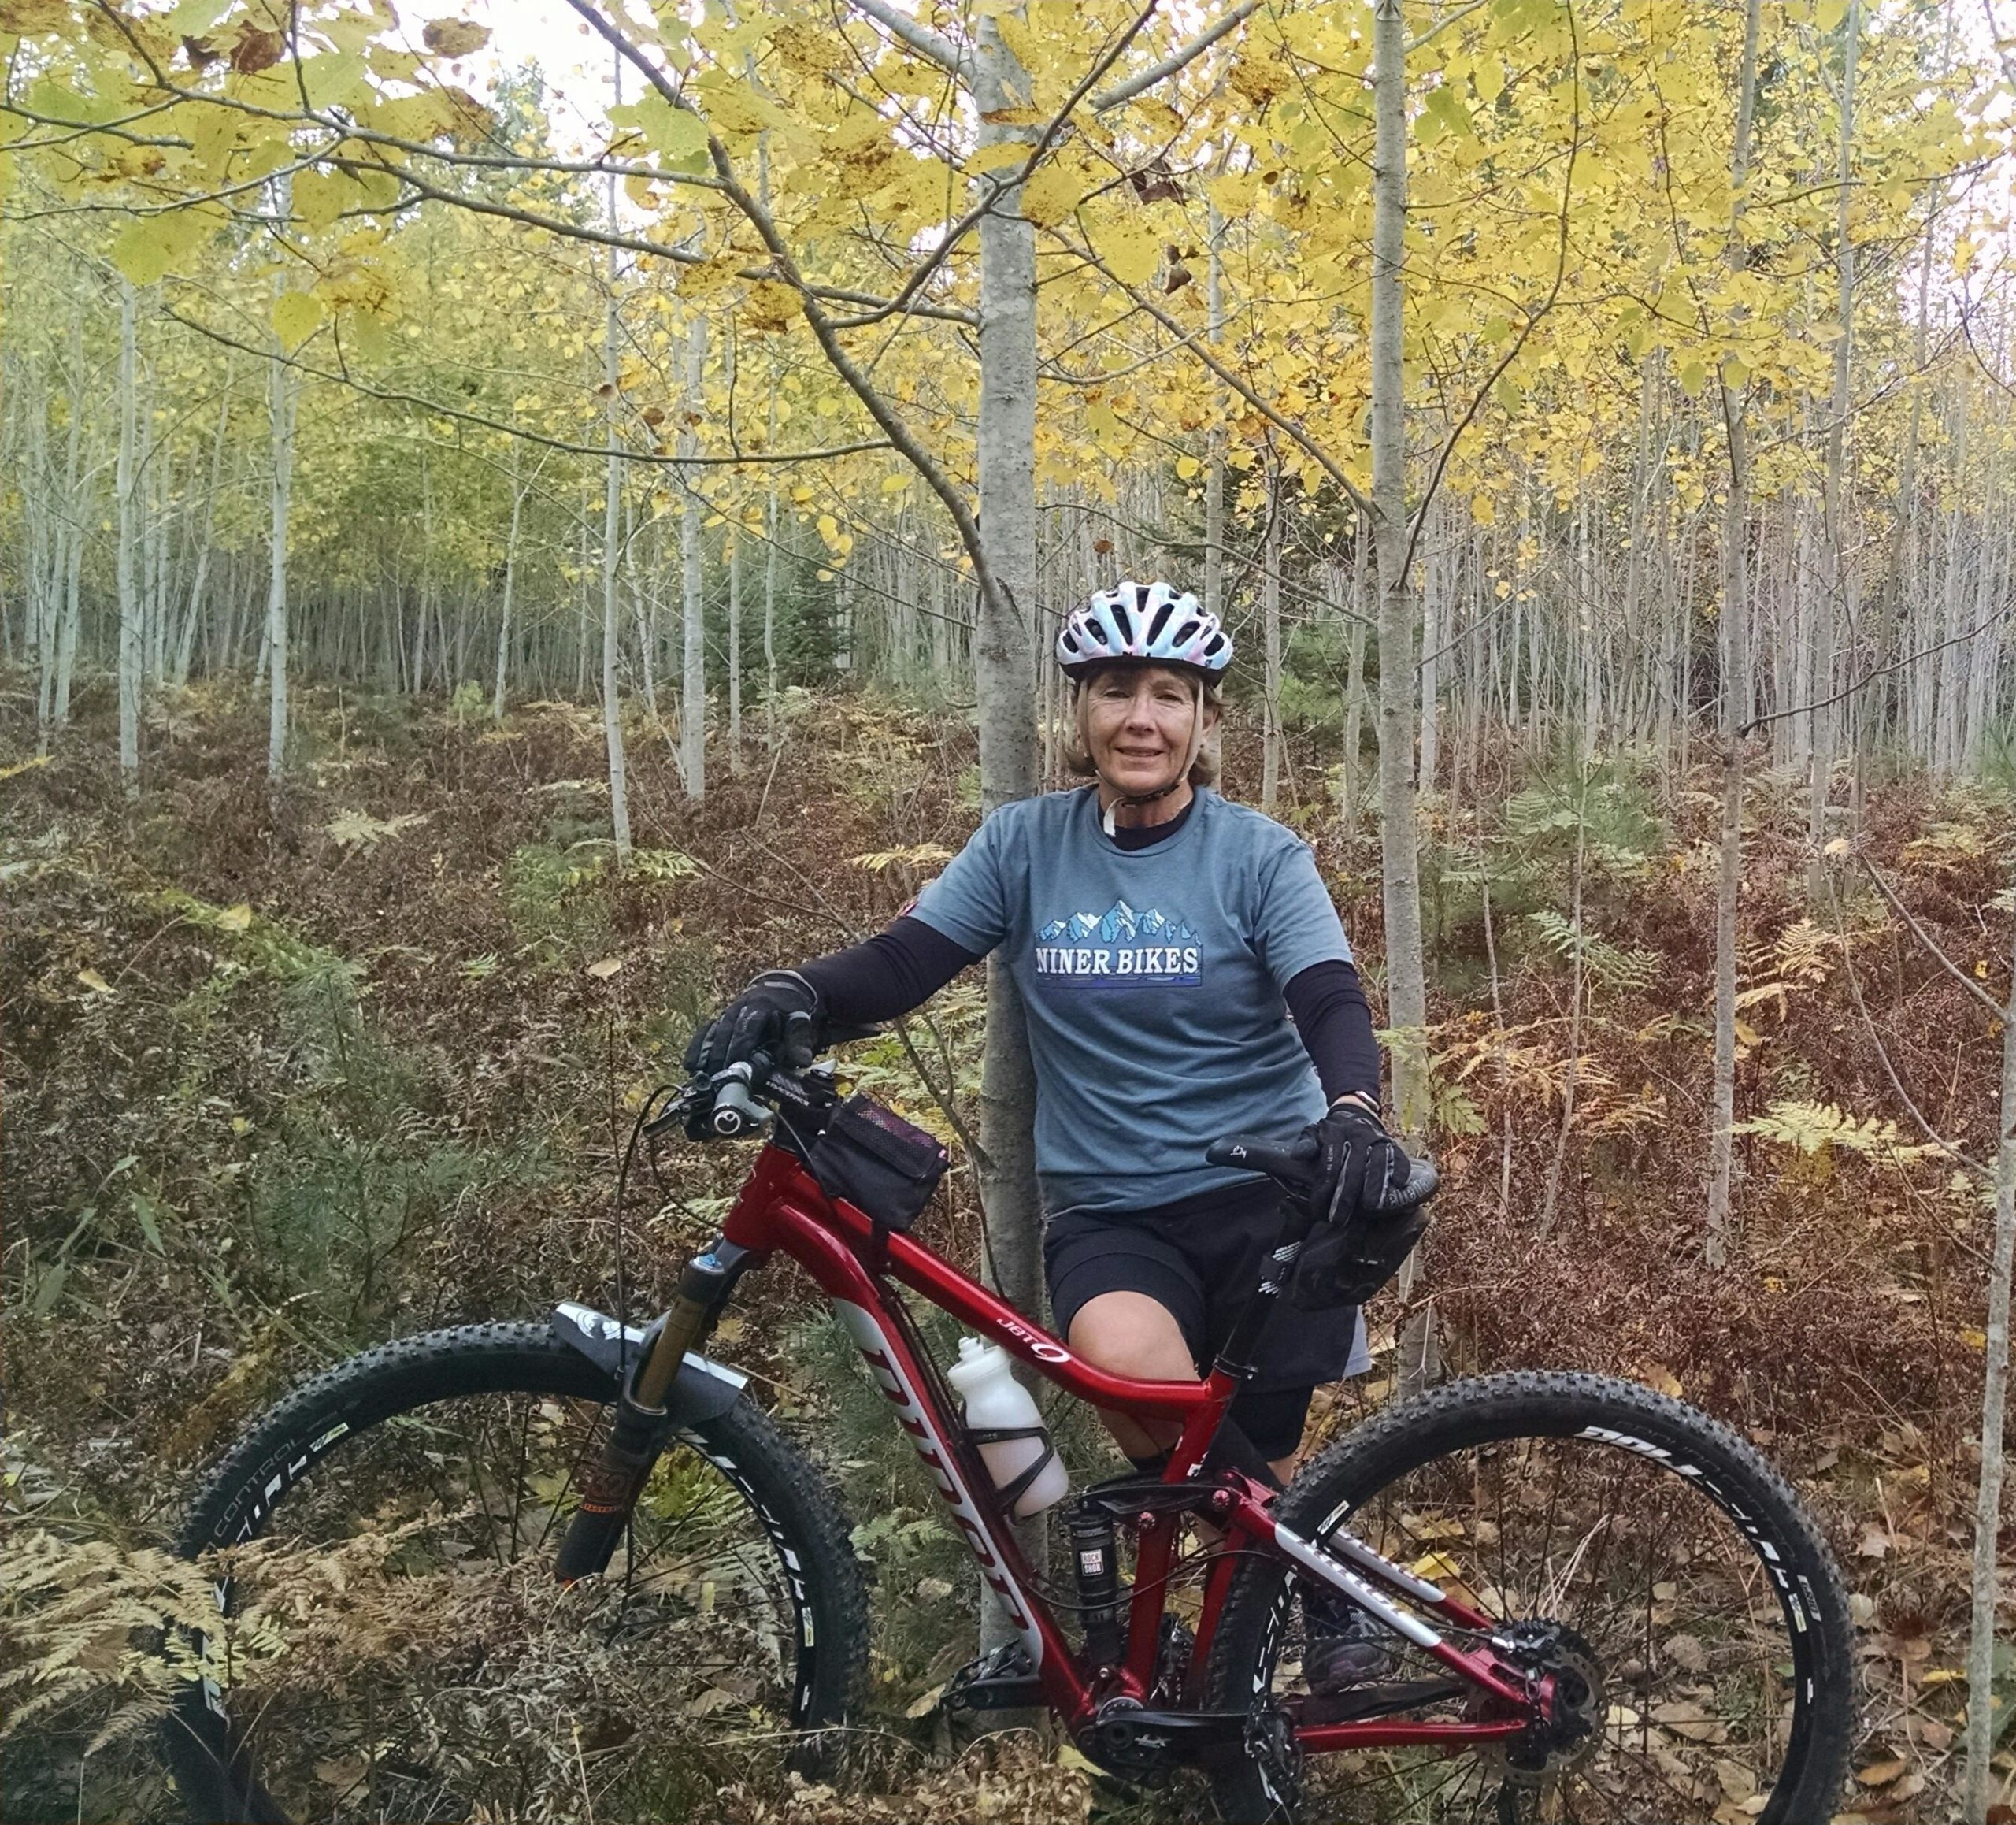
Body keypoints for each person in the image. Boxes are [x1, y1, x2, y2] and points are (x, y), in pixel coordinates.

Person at [686, 579, 1421, 1686]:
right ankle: (1322, 1594)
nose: (1142, 718)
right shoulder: (1024, 845)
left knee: (1253, 1480)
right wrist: (793, 992)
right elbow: (905, 962)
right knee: (1131, 1378)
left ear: (1204, 720)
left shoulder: (1262, 855)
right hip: (1115, 1210)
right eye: (1116, 690)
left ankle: (1229, 1697)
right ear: (1079, 710)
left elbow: (1328, 997)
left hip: (1272, 1197)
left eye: (1168, 695)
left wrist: (1355, 1109)